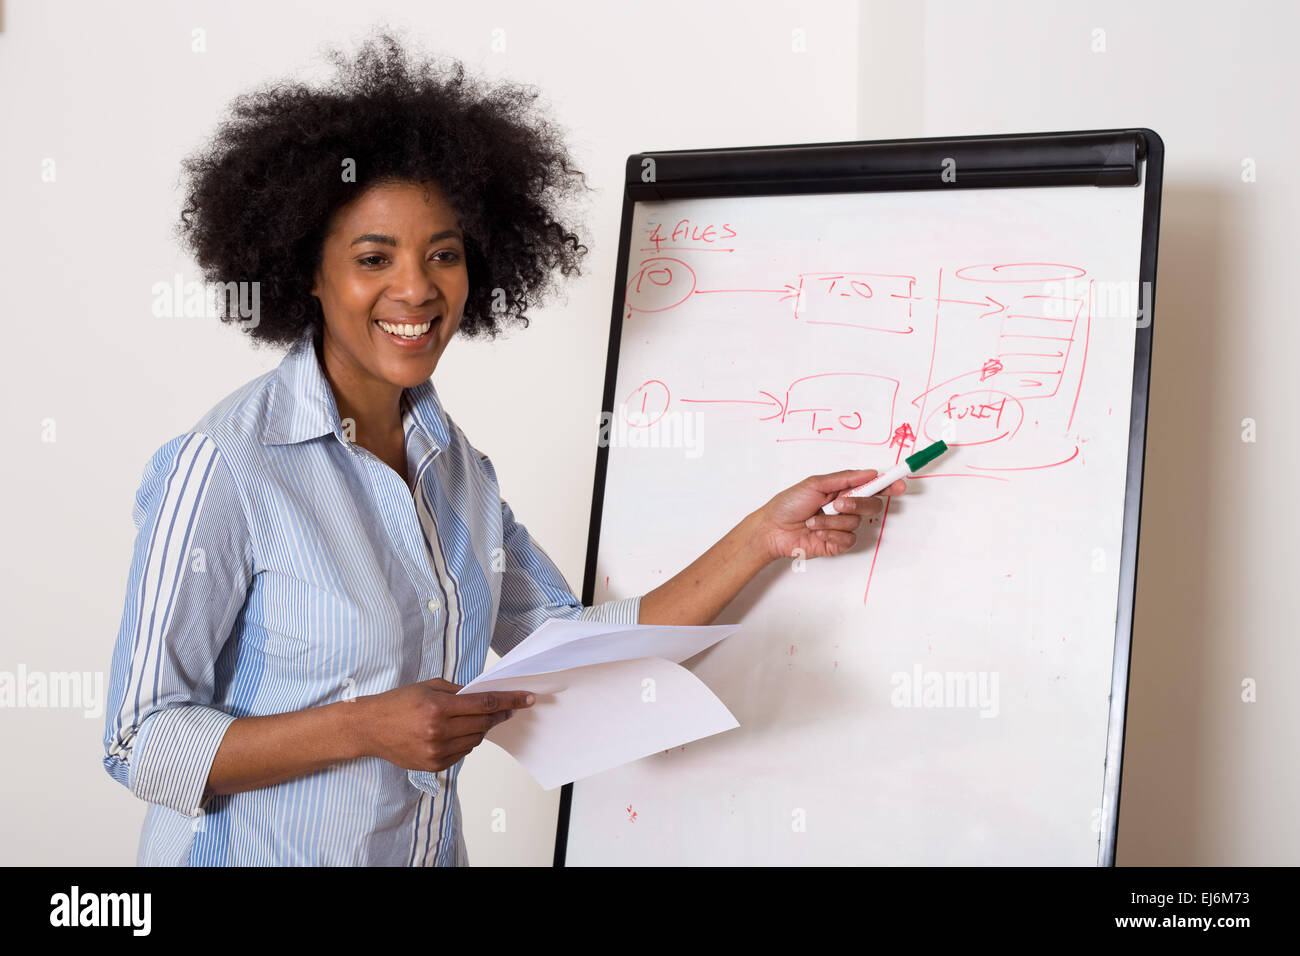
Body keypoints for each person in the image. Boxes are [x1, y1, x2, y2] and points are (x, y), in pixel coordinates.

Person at [101, 32, 905, 866]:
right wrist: (363, 727)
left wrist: (761, 535)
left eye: (442, 255)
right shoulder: (228, 466)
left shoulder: (459, 473)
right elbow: (140, 742)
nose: (416, 289)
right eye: (374, 258)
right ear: (307, 270)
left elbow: (576, 647)